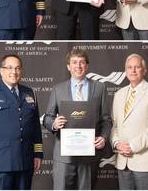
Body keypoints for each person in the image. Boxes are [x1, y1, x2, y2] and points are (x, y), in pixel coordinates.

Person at [43, 49, 112, 189]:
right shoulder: (58, 89)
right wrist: (54, 123)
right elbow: (47, 118)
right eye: (74, 62)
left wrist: (103, 137)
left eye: (82, 62)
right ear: (68, 66)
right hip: (64, 156)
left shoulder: (99, 88)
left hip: (88, 153)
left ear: (87, 66)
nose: (78, 66)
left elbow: (106, 119)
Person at [0, 54, 43, 189]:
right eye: (9, 68)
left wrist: (37, 153)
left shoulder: (29, 92)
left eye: (17, 68)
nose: (14, 72)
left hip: (25, 161)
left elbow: (35, 127)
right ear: (1, 70)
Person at [111, 54, 148, 189]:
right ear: (125, 71)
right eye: (129, 67)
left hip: (145, 161)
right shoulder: (119, 94)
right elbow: (115, 125)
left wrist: (132, 146)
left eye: (137, 67)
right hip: (122, 162)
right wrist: (117, 143)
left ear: (144, 70)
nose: (133, 70)